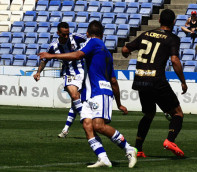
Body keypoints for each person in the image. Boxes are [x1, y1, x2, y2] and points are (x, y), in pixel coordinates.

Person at [39, 20, 137, 168]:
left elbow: (78, 55)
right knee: (87, 124)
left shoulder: (93, 42)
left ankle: (129, 148)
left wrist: (52, 56)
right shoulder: (106, 52)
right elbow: (114, 81)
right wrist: (119, 103)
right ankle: (103, 158)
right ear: (102, 34)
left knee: (98, 126)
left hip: (99, 91)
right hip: (90, 93)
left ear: (87, 34)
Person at [121, 9, 188, 158]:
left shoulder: (146, 34)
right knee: (178, 113)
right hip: (156, 80)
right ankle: (170, 140)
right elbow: (175, 60)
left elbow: (125, 49)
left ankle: (138, 149)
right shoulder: (172, 38)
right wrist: (183, 82)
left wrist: (126, 53)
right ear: (174, 22)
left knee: (149, 114)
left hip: (140, 80)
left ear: (159, 21)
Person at [33, 22, 87, 138]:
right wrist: (38, 72)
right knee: (74, 96)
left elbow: (90, 40)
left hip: (82, 72)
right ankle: (86, 119)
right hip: (68, 73)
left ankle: (65, 130)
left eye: (67, 34)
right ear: (58, 33)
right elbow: (45, 60)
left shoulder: (76, 38)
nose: (66, 37)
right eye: (63, 35)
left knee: (75, 104)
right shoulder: (53, 46)